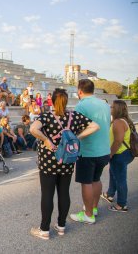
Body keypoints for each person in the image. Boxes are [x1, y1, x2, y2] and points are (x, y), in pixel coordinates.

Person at [29, 88, 99, 239]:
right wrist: (77, 136)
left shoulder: (47, 116)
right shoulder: (74, 116)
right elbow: (95, 126)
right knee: (64, 193)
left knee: (47, 195)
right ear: (66, 101)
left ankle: (44, 230)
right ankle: (61, 226)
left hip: (49, 162)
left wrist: (46, 140)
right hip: (67, 161)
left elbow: (33, 129)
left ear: (52, 101)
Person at [70, 79, 111, 224]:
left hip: (88, 151)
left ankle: (88, 215)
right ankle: (93, 208)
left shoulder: (81, 105)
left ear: (80, 91)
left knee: (86, 182)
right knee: (96, 179)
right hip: (104, 150)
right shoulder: (104, 104)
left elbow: (77, 127)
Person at [101, 100, 135, 212]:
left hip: (120, 154)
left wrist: (109, 155)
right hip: (123, 153)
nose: (110, 108)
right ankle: (110, 194)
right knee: (113, 173)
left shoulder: (118, 122)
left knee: (120, 179)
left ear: (117, 109)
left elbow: (118, 141)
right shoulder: (123, 120)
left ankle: (122, 204)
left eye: (112, 107)